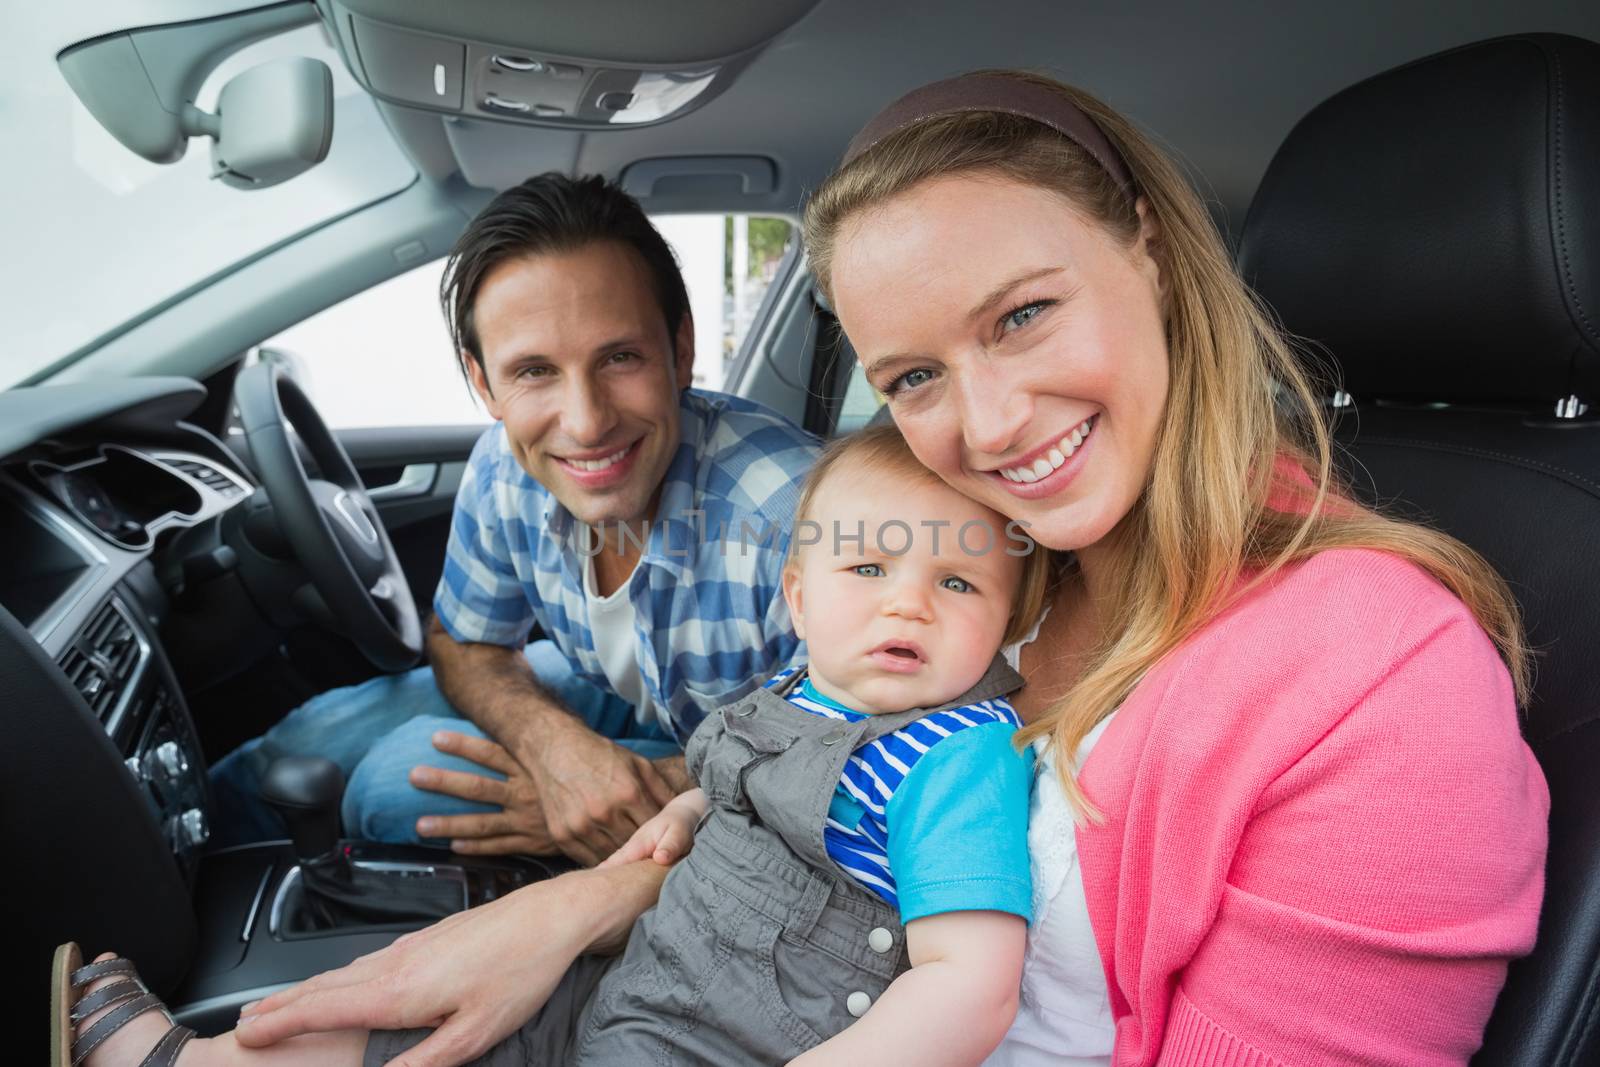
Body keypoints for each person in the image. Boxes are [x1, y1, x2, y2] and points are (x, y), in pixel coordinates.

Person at [58, 70, 1548, 1067]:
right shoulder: (1012, 566)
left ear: (1152, 254)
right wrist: (568, 910)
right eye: (910, 375)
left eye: (1023, 314)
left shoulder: (1382, 679)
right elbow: (799, 760)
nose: (988, 424)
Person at [55, 423, 1056, 1066]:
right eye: (869, 566)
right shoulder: (805, 684)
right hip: (648, 975)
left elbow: (969, 983)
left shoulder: (952, 756)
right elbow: (743, 771)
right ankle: (196, 1063)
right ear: (796, 598)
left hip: (735, 1040)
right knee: (423, 1027)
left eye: (958, 584)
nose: (908, 603)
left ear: (1010, 621)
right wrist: (683, 809)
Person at [207, 173, 820, 865]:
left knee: (389, 783)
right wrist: (554, 747)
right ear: (483, 382)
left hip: (762, 761)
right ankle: (161, 876)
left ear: (680, 349)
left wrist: (638, 800)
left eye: (619, 357)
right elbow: (463, 641)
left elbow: (858, 749)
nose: (586, 423)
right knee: (316, 735)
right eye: (534, 371)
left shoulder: (797, 517)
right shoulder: (504, 468)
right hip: (643, 701)